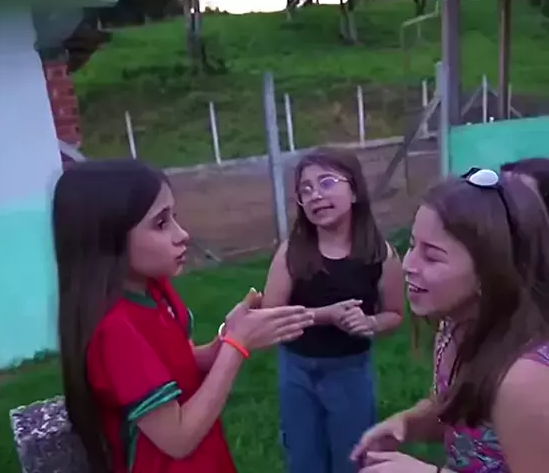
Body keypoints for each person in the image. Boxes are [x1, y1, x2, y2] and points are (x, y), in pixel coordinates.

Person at [52, 159, 315, 473]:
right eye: (161, 223)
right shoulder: (114, 330)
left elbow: (180, 361)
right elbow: (177, 438)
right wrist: (237, 346)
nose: (183, 235)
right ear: (108, 237)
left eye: (173, 218)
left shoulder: (155, 289)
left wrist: (224, 341)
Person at [351, 169, 549, 473]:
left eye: (432, 256)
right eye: (412, 245)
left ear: (490, 272)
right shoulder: (453, 325)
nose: (407, 264)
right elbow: (457, 408)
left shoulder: (524, 380)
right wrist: (410, 422)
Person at [262, 149, 404, 473]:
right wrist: (325, 315)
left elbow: (395, 314)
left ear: (354, 191)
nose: (315, 195)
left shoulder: (380, 255)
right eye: (305, 190)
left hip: (350, 372)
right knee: (303, 458)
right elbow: (270, 315)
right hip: (297, 372)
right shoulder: (292, 252)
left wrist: (370, 323)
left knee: (352, 457)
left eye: (326, 183)